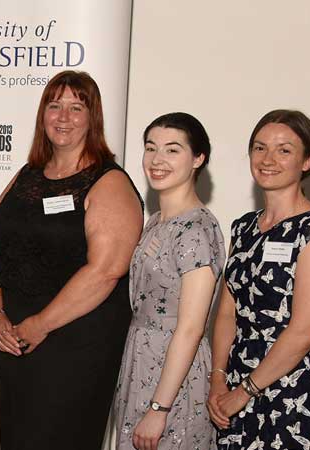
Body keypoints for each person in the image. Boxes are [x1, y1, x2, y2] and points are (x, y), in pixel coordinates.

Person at [0, 70, 143, 449]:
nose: (63, 117)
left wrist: (39, 325)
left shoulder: (108, 182)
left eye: (76, 107)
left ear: (93, 118)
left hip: (74, 349)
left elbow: (106, 271)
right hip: (15, 344)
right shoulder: (28, 175)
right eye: (55, 106)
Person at [209, 110, 310, 449]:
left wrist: (245, 391)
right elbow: (228, 311)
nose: (268, 159)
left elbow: (304, 331)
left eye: (284, 150)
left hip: (290, 397)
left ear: (307, 161)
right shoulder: (243, 227)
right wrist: (218, 378)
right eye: (259, 148)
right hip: (233, 397)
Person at [113, 112, 223, 450]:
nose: (157, 160)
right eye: (151, 148)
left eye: (173, 150)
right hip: (141, 363)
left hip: (173, 378)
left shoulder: (197, 230)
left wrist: (160, 408)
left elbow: (190, 328)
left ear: (198, 158)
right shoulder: (157, 220)